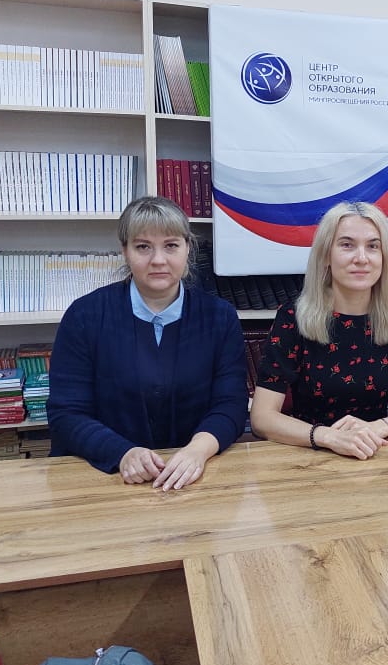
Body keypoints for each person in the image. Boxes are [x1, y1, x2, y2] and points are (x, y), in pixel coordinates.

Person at [48, 196, 249, 488]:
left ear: (187, 248)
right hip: (104, 478)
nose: (158, 260)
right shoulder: (84, 316)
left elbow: (231, 404)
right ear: (125, 251)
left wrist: (198, 450)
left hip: (194, 477)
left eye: (171, 245)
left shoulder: (220, 317)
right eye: (143, 247)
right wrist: (123, 453)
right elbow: (66, 412)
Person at [250, 201, 388, 458]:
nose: (361, 258)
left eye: (373, 246)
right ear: (326, 255)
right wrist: (329, 437)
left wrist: (378, 428)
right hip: (311, 454)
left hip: (375, 449)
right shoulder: (293, 318)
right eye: (347, 245)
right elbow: (262, 418)